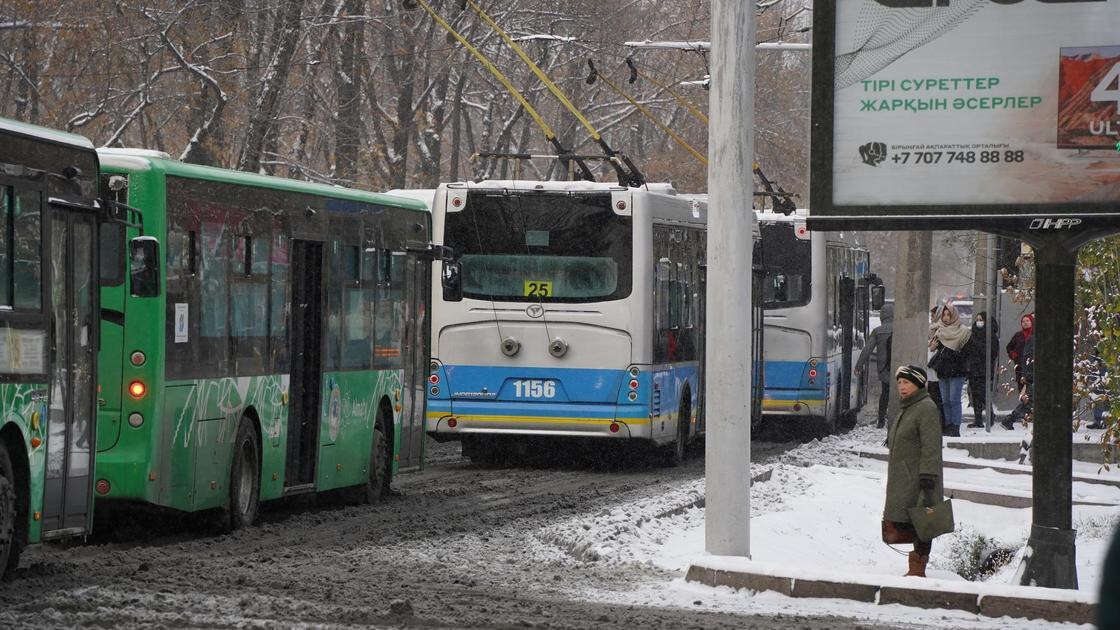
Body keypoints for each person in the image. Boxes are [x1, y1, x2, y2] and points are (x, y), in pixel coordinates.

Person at [882, 365, 944, 578]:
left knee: (922, 521)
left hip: (920, 478)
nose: (901, 387)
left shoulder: (926, 407)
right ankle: (915, 568)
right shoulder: (908, 407)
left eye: (906, 382)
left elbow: (931, 444)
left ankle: (918, 570)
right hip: (906, 478)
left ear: (918, 384)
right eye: (899, 383)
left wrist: (928, 476)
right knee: (909, 520)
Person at [929, 303, 971, 437]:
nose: (946, 318)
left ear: (954, 316)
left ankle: (955, 426)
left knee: (954, 399)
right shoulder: (939, 330)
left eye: (949, 315)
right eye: (944, 315)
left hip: (957, 369)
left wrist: (955, 353)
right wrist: (933, 347)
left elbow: (968, 351)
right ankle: (947, 425)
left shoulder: (963, 331)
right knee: (945, 400)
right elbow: (932, 347)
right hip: (943, 369)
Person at [856, 302, 894, 428]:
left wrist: (859, 365)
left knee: (885, 393)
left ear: (882, 317)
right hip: (899, 367)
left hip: (884, 369)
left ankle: (881, 420)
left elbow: (867, 349)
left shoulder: (877, 331)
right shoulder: (901, 329)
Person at [966, 311, 1000, 428]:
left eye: (981, 320)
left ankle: (990, 415)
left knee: (983, 395)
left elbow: (992, 353)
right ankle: (978, 420)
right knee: (975, 395)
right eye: (977, 320)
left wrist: (978, 347)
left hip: (984, 370)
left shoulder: (991, 336)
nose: (979, 322)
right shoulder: (973, 334)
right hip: (973, 369)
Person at [926, 307, 946, 425]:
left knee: (937, 400)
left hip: (936, 373)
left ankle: (940, 423)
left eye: (933, 315)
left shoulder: (939, 331)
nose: (931, 318)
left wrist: (931, 349)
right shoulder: (933, 329)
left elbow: (933, 352)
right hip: (933, 374)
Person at [1006, 312, 1035, 390]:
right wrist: (1013, 354)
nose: (1025, 323)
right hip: (1020, 367)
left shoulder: (1035, 335)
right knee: (1022, 390)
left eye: (1027, 321)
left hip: (1032, 367)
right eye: (1023, 321)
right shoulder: (1018, 335)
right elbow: (1009, 347)